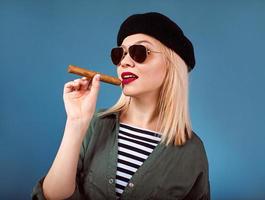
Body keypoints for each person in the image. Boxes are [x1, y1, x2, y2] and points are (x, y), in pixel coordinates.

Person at [32, 12, 210, 200]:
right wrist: (75, 123)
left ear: (172, 65)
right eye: (120, 54)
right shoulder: (96, 124)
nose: (124, 62)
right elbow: (52, 197)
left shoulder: (193, 152)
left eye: (139, 52)